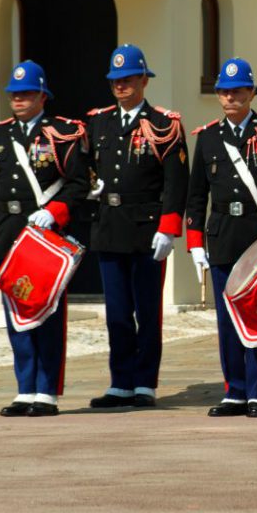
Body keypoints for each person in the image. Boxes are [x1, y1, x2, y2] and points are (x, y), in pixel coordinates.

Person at [185, 58, 257, 418]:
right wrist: (194, 243)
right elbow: (196, 194)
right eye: (224, 91)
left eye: (238, 90)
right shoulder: (207, 138)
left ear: (252, 92)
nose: (231, 96)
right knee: (226, 320)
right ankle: (234, 391)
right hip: (221, 237)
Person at [0, 60, 89, 416]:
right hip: (8, 230)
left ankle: (46, 391)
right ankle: (25, 389)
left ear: (42, 96)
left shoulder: (63, 133)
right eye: (14, 94)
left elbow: (78, 184)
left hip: (43, 233)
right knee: (17, 313)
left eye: (25, 94)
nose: (18, 100)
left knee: (47, 312)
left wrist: (54, 212)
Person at [86, 45, 189, 409]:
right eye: (116, 80)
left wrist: (169, 227)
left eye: (128, 79)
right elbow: (84, 167)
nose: (121, 86)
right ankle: (120, 381)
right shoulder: (98, 122)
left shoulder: (164, 124)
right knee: (116, 311)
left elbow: (176, 181)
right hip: (110, 227)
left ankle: (144, 382)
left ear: (144, 80)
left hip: (147, 229)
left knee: (147, 310)